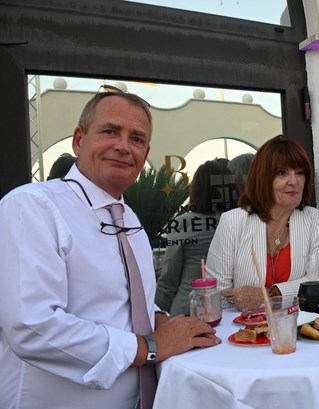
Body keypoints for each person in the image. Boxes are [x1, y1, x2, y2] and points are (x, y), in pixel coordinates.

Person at [0, 87, 221, 409]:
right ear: (79, 140)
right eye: (109, 131)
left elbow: (124, 302)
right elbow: (32, 326)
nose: (123, 146)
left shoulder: (127, 217)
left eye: (137, 138)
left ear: (145, 153)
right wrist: (149, 347)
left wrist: (163, 321)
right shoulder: (32, 206)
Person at [206, 135, 319, 312]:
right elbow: (218, 295)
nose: (294, 181)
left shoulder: (315, 220)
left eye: (300, 173)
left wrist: (270, 294)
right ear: (263, 178)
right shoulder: (232, 222)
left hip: (298, 325)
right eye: (282, 173)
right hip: (242, 326)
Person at [155, 158, 236, 316]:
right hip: (230, 311)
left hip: (188, 309)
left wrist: (155, 313)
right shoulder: (237, 221)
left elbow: (169, 279)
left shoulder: (183, 223)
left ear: (197, 189)